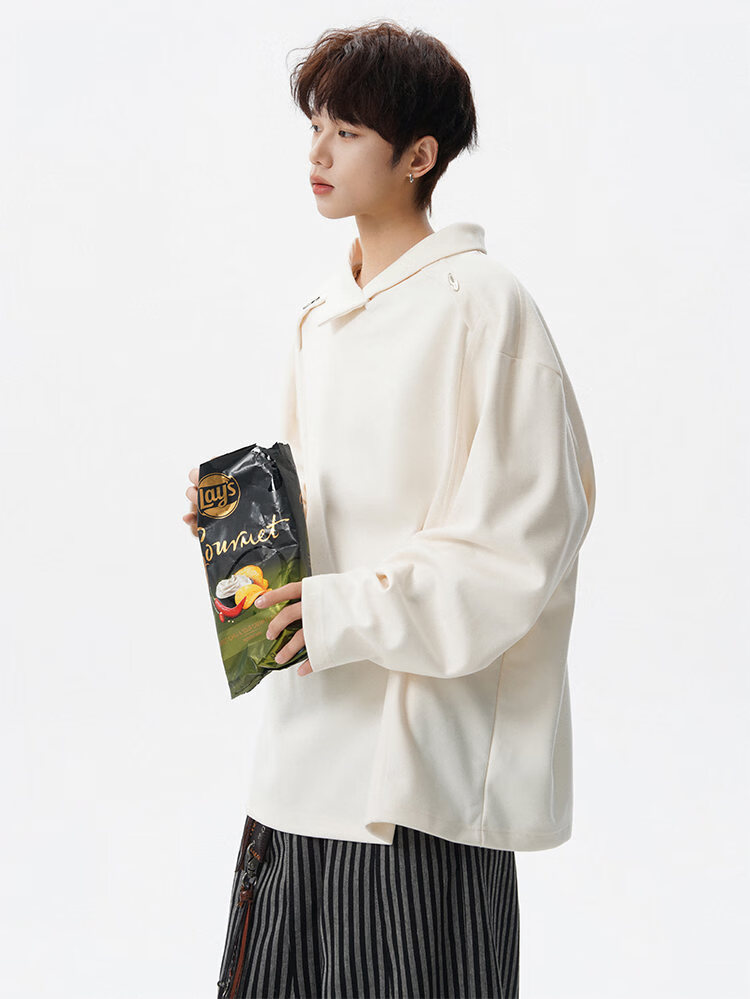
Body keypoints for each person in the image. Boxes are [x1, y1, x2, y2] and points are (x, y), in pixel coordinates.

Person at [184, 18, 596, 999]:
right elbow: (324, 509)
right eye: (315, 126)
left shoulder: (485, 307)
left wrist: (342, 611)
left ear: (418, 157)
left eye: (348, 131)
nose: (318, 153)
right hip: (295, 771)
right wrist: (243, 526)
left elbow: (517, 548)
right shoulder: (320, 316)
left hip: (410, 793)